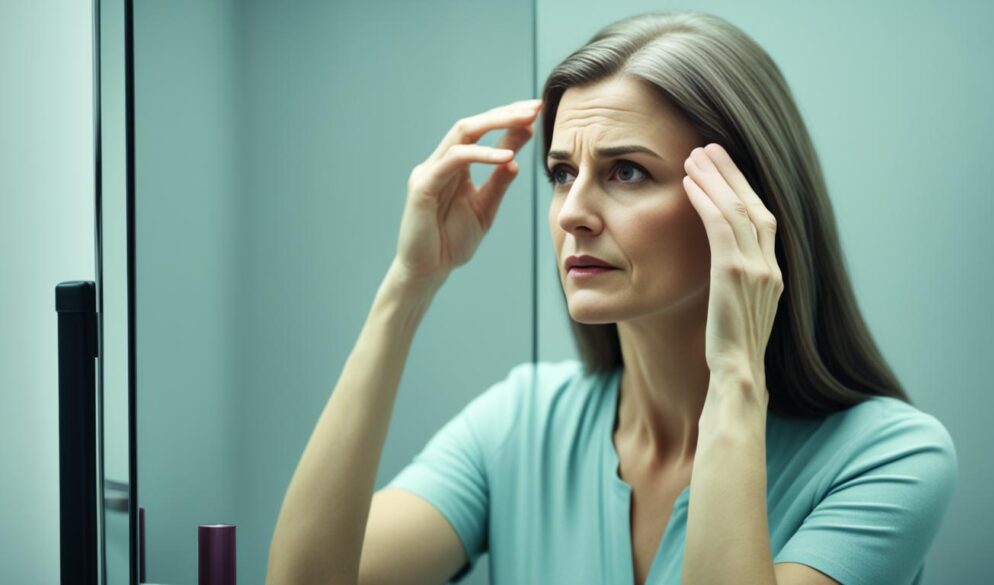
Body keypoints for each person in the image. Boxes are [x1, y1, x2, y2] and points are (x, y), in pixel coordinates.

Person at [266, 10, 957, 585]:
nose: (572, 212)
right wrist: (409, 286)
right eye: (563, 173)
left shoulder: (889, 459)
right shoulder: (521, 422)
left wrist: (737, 376)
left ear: (745, 205)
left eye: (626, 171)